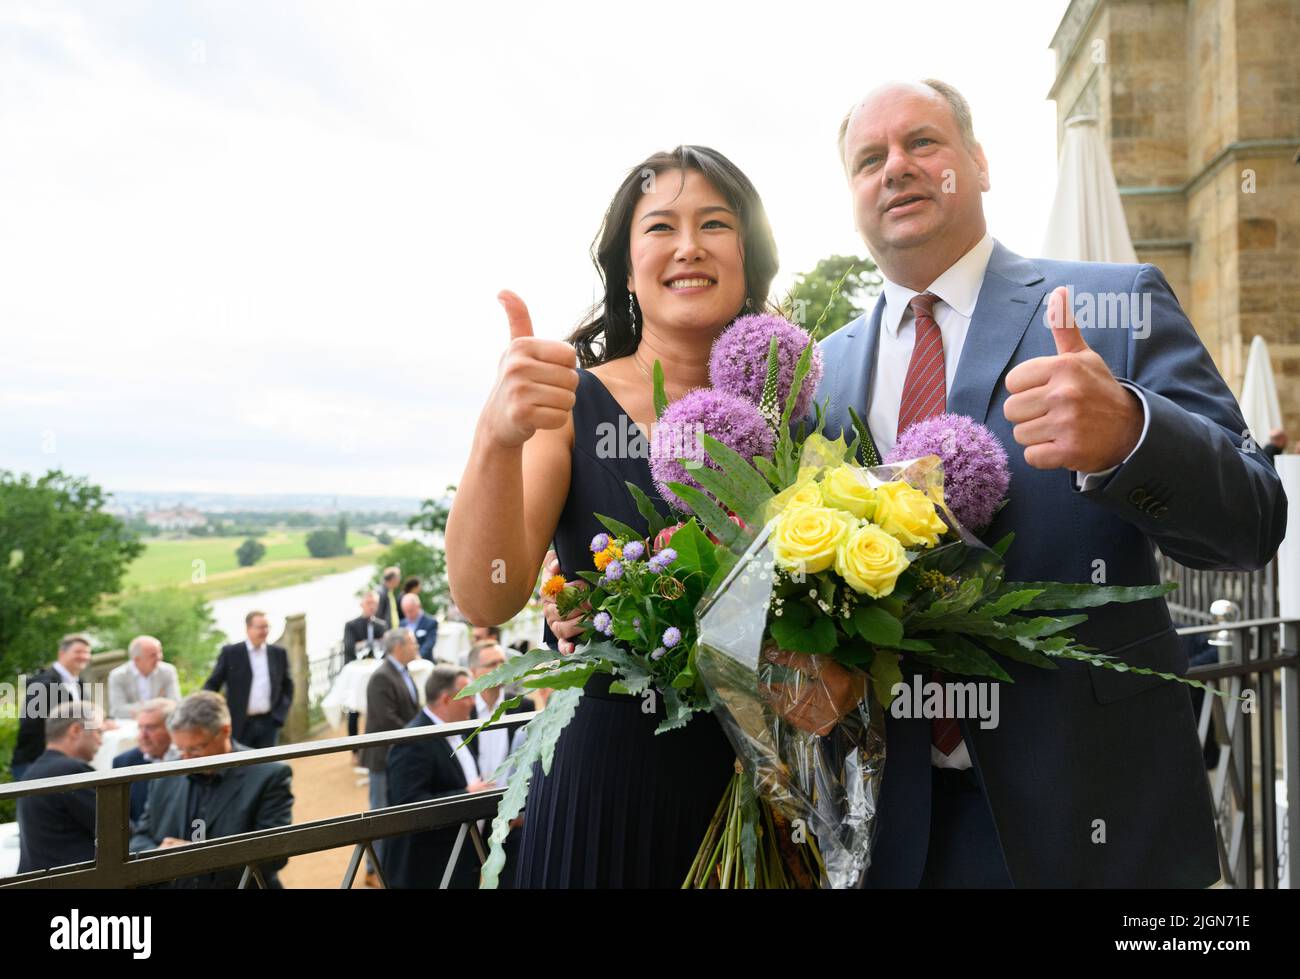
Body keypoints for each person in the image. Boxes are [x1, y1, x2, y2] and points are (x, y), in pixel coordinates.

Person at [802, 79, 1287, 887]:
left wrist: (1132, 433)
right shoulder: (820, 373)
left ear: (979, 163)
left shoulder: (1112, 304)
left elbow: (1253, 521)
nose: (896, 168)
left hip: (1099, 827)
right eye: (868, 159)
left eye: (923, 142)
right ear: (851, 193)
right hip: (896, 841)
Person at [446, 145, 778, 886]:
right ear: (629, 270)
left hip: (769, 793)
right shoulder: (570, 404)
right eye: (661, 227)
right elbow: (486, 595)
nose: (689, 245)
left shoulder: (795, 415)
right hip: (610, 793)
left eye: (715, 224)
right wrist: (498, 436)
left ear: (749, 259)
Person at [129, 691, 294, 888]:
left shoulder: (269, 775)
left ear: (225, 731)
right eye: (180, 749)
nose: (186, 760)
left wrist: (199, 856)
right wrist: (158, 853)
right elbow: (140, 838)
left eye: (196, 749)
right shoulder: (164, 775)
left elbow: (274, 855)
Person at [383, 666, 493, 888]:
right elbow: (408, 807)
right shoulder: (411, 742)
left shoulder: (459, 729)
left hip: (459, 863)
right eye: (469, 696)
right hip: (428, 871)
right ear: (446, 699)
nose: (474, 703)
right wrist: (466, 796)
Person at [361, 627, 422, 886]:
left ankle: (387, 866)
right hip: (383, 757)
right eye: (412, 642)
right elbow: (387, 721)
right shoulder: (381, 677)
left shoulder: (402, 671)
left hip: (399, 756)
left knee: (394, 811)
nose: (417, 645)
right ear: (398, 647)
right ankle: (372, 870)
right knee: (380, 813)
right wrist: (418, 735)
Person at [16, 701, 103, 874]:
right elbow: (116, 828)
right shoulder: (71, 771)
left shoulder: (31, 773)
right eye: (98, 731)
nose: (101, 741)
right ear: (76, 730)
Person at [202, 611, 293, 749]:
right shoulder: (231, 653)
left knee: (268, 765)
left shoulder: (278, 653)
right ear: (248, 628)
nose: (265, 631)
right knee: (241, 766)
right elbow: (212, 684)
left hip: (269, 724)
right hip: (239, 724)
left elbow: (288, 686)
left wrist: (279, 716)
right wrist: (212, 715)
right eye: (260, 627)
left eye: (266, 627)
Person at [12, 633, 96, 780]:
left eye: (87, 652)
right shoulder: (43, 683)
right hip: (35, 763)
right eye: (78, 652)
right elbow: (30, 726)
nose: (84, 656)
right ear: (62, 653)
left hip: (67, 762)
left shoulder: (79, 684)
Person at [112, 697, 177, 824]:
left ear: (172, 728)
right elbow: (122, 817)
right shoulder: (124, 762)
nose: (142, 736)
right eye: (140, 728)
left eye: (151, 728)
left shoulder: (190, 758)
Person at [341, 591, 388, 746]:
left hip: (375, 673)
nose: (372, 607)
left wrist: (363, 644)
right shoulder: (351, 625)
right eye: (368, 603)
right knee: (354, 711)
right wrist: (372, 644)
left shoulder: (381, 625)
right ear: (362, 605)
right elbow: (349, 648)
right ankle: (354, 748)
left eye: (374, 603)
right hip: (356, 676)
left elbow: (385, 649)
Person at [107, 636, 181, 719]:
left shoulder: (168, 671)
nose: (159, 657)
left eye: (160, 652)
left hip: (159, 722)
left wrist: (139, 708)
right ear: (136, 659)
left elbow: (175, 703)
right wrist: (158, 705)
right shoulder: (118, 675)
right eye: (153, 655)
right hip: (129, 724)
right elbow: (117, 710)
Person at [400, 593, 439, 660]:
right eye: (405, 612)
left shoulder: (430, 622)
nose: (408, 615)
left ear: (418, 606)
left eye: (410, 611)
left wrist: (417, 657)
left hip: (424, 662)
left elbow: (429, 644)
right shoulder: (402, 624)